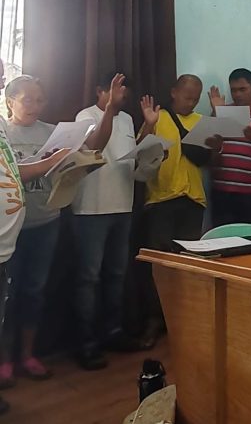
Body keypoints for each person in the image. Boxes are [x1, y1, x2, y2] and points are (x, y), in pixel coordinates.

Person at [72, 73, 159, 371]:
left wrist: (149, 126)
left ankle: (112, 333)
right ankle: (86, 343)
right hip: (90, 209)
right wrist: (109, 109)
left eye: (124, 93)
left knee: (116, 275)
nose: (123, 97)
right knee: (88, 279)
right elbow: (95, 145)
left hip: (122, 206)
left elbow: (133, 153)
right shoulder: (86, 115)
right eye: (117, 92)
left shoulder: (127, 119)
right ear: (100, 91)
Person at [0, 60, 70, 415]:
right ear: (10, 100)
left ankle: (28, 355)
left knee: (34, 292)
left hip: (46, 221)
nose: (35, 106)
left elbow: (64, 171)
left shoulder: (52, 132)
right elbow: (14, 174)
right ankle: (4, 360)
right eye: (28, 99)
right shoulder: (3, 134)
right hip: (10, 230)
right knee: (7, 297)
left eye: (40, 100)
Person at [138, 74, 222, 347]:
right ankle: (154, 319)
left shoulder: (201, 122)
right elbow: (139, 152)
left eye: (196, 98)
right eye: (187, 96)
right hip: (162, 198)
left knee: (187, 264)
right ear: (173, 92)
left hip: (193, 198)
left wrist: (217, 149)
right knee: (159, 264)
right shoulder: (158, 116)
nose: (192, 101)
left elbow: (210, 163)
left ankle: (183, 319)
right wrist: (149, 127)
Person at [208, 69, 251, 227]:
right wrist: (216, 112)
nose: (237, 95)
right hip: (222, 189)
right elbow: (208, 145)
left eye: (243, 89)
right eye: (233, 90)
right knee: (222, 240)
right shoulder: (222, 112)